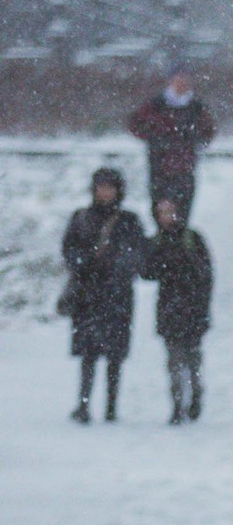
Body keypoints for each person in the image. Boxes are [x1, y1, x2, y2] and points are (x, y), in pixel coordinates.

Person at [58, 163, 146, 423]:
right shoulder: (81, 218)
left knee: (115, 355)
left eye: (109, 188)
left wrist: (116, 268)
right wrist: (85, 263)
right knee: (88, 353)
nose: (105, 193)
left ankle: (111, 406)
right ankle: (84, 404)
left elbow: (137, 254)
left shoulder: (129, 221)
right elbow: (69, 249)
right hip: (88, 294)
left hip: (117, 295)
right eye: (101, 187)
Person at [137, 193, 213, 421]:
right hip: (169, 308)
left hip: (192, 308)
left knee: (192, 358)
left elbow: (205, 275)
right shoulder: (156, 242)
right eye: (162, 212)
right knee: (174, 360)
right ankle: (178, 404)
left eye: (170, 211)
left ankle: (195, 394)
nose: (166, 217)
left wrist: (202, 305)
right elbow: (147, 272)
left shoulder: (192, 239)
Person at [127, 70, 213, 222]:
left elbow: (208, 131)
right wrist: (156, 136)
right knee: (159, 209)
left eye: (184, 80)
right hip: (159, 166)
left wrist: (191, 140)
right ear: (170, 81)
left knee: (183, 211)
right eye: (178, 80)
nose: (181, 84)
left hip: (185, 169)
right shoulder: (156, 105)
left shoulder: (196, 107)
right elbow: (135, 125)